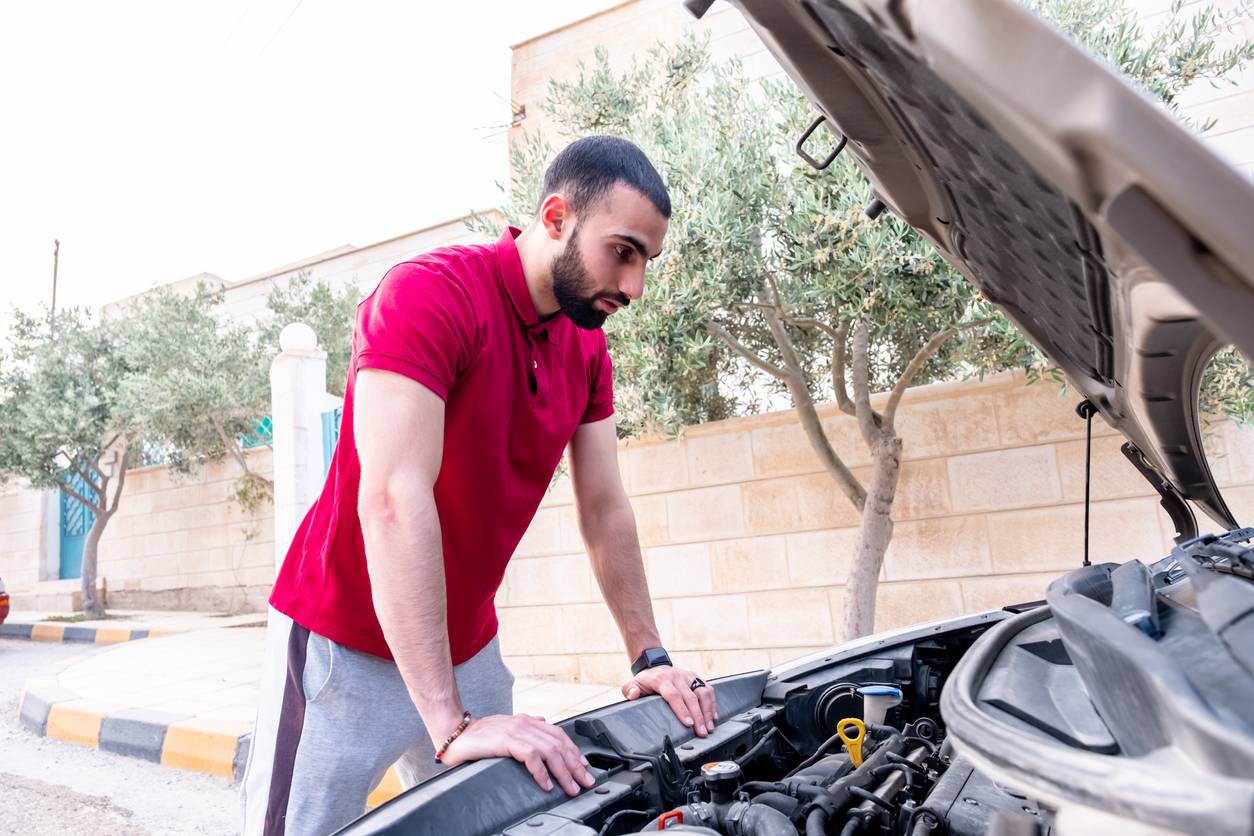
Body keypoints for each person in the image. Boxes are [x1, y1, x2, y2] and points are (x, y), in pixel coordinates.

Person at [241, 135, 718, 835]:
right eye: (622, 251)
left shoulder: (586, 343)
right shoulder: (427, 294)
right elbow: (394, 500)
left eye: (646, 260)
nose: (635, 285)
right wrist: (450, 722)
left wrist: (650, 657)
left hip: (470, 653)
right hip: (340, 651)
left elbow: (605, 507)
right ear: (555, 218)